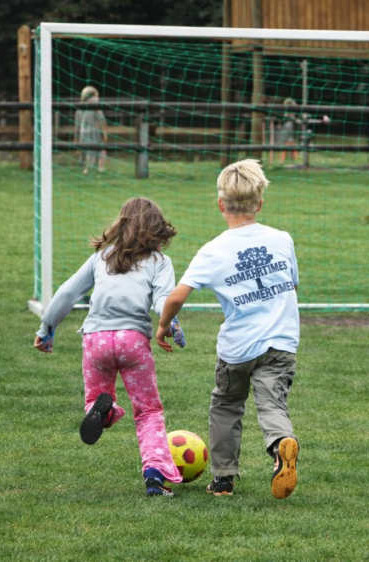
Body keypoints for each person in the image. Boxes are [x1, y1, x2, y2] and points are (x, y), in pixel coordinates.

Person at [155, 159, 300, 500]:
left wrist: (163, 324)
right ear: (259, 203)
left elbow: (176, 296)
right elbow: (292, 286)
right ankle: (281, 444)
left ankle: (223, 480)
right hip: (281, 341)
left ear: (221, 204)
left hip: (237, 347)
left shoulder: (214, 250)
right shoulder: (282, 239)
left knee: (226, 405)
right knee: (272, 403)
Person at [33, 197, 186, 497]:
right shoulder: (159, 263)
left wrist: (47, 328)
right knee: (148, 411)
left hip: (96, 340)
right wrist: (171, 325)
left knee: (96, 397)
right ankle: (154, 476)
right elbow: (164, 299)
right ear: (157, 230)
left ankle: (104, 412)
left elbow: (68, 292)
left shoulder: (101, 258)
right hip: (132, 341)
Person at [74, 85, 108, 174]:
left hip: (83, 132)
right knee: (101, 149)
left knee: (87, 150)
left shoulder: (79, 108)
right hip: (94, 131)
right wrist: (104, 133)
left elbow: (77, 124)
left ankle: (87, 168)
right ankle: (99, 168)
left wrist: (77, 137)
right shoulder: (95, 106)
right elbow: (101, 120)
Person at [278, 98, 300, 164]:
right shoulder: (285, 111)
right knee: (286, 144)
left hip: (290, 127)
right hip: (287, 127)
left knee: (291, 143)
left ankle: (295, 158)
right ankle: (283, 160)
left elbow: (294, 118)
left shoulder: (292, 111)